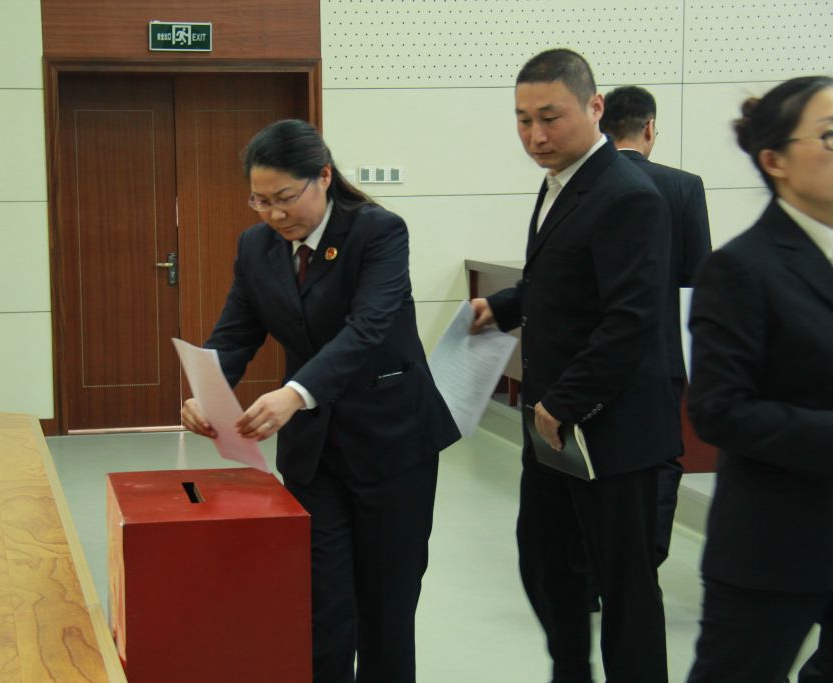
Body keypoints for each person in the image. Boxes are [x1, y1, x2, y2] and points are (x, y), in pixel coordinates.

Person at [180, 119, 460, 683]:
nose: (274, 214)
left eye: (286, 197)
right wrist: (206, 392)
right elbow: (236, 333)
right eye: (260, 200)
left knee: (386, 605)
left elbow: (368, 328)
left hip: (392, 445)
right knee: (322, 605)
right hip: (315, 455)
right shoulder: (256, 247)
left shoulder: (378, 232)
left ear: (324, 177)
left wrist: (295, 393)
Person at [470, 49, 676, 682]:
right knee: (545, 561)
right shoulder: (561, 180)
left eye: (550, 117)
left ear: (595, 107)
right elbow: (562, 279)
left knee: (623, 587)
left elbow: (630, 321)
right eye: (523, 119)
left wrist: (564, 403)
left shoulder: (628, 195)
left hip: (611, 429)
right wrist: (502, 307)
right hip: (554, 425)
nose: (535, 135)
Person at [685, 75, 833, 683]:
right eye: (831, 137)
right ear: (775, 161)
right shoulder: (741, 268)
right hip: (777, 543)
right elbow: (719, 409)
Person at [600, 85, 713, 567]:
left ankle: (596, 568)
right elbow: (697, 275)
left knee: (599, 460)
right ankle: (646, 563)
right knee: (661, 459)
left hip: (594, 354)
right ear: (649, 127)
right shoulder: (683, 187)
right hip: (660, 353)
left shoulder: (585, 185)